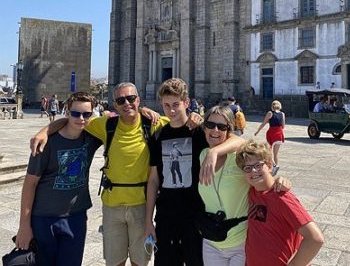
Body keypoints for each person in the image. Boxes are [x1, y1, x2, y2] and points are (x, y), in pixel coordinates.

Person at [30, 82, 202, 266]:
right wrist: (45, 131)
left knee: (140, 261)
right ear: (115, 104)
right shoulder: (106, 125)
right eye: (121, 100)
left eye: (131, 98)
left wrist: (196, 116)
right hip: (112, 206)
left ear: (138, 100)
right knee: (115, 262)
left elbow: (185, 122)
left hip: (141, 206)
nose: (127, 103)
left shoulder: (154, 123)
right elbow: (77, 119)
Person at [145, 78, 244, 266]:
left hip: (196, 217)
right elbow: (153, 180)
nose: (171, 110)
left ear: (187, 103)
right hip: (166, 216)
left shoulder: (200, 132)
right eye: (166, 105)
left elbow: (239, 141)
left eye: (176, 104)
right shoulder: (158, 136)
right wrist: (148, 220)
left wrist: (214, 151)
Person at [16, 92, 102, 265]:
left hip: (76, 217)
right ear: (67, 112)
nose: (81, 119)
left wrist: (146, 111)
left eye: (86, 114)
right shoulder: (46, 143)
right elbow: (30, 184)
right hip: (43, 218)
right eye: (76, 113)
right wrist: (24, 226)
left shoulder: (92, 138)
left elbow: (117, 119)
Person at [198, 106, 291, 266]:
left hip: (239, 242)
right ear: (204, 127)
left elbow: (245, 144)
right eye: (210, 125)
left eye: (222, 127)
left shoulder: (238, 158)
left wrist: (280, 180)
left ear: (229, 130)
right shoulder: (203, 155)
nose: (215, 130)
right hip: (211, 241)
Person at [236, 141, 324, 266]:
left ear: (270, 165)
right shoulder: (253, 193)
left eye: (258, 165)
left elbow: (315, 238)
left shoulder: (281, 197)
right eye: (247, 168)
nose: (253, 171)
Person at [254, 100, 285, 176]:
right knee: (275, 154)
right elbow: (283, 126)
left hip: (272, 133)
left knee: (268, 152)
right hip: (280, 133)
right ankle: (274, 169)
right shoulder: (282, 114)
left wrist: (257, 131)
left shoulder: (270, 113)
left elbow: (263, 123)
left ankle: (274, 166)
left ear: (272, 106)